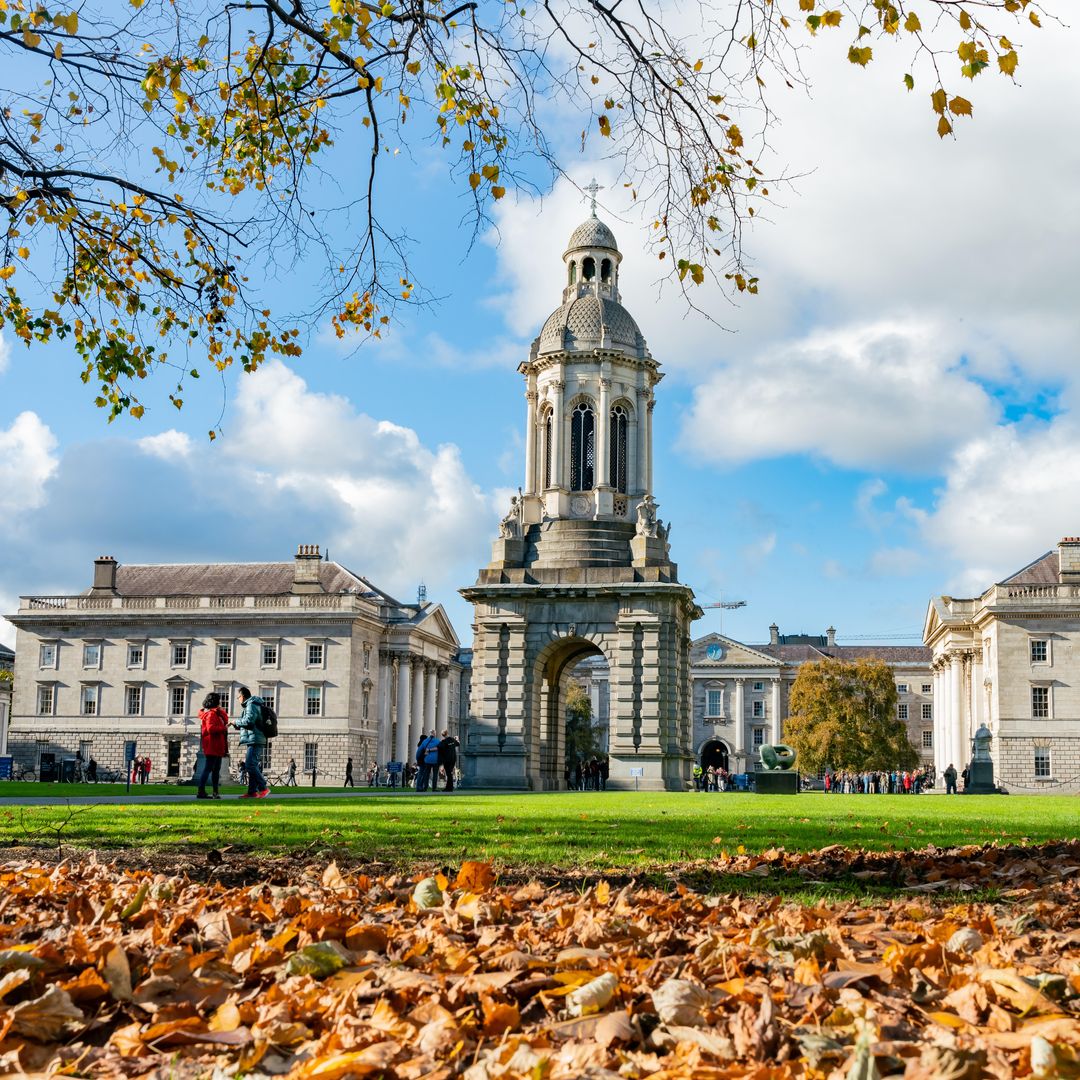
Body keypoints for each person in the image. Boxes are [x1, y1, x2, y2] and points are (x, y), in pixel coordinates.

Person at [232, 685, 270, 799]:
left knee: (250, 765)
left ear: (242, 696)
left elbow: (249, 721)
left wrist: (236, 721)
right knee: (252, 765)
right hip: (254, 738)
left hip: (255, 739)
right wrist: (236, 725)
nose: (238, 699)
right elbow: (250, 724)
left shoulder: (251, 705)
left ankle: (263, 788)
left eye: (238, 696)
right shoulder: (252, 705)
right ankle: (252, 792)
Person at [197, 691, 229, 800]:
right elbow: (210, 729)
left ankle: (215, 792)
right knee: (208, 769)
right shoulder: (211, 714)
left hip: (217, 745)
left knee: (216, 770)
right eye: (218, 700)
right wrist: (223, 728)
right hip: (212, 745)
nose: (220, 702)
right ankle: (201, 791)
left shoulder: (215, 713)